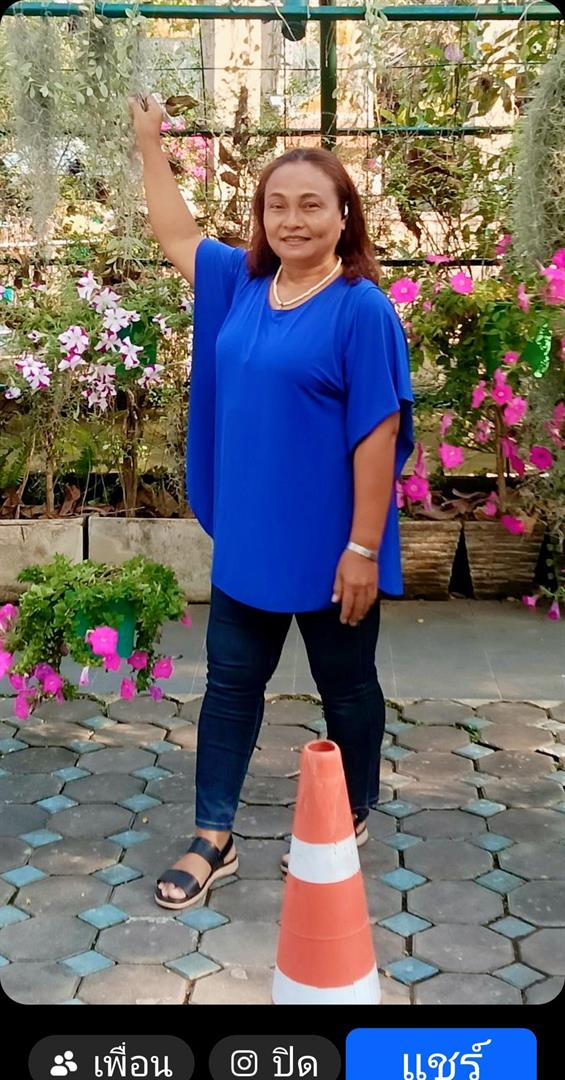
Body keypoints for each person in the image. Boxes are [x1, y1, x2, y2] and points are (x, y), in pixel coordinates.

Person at [128, 94, 415, 911]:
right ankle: (212, 837)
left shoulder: (361, 308)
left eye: (311, 205)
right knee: (229, 686)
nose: (292, 220)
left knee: (345, 687)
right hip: (252, 538)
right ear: (261, 217)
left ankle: (348, 813)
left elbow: (377, 433)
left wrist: (361, 549)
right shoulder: (242, 284)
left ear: (343, 215)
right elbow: (175, 234)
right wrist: (149, 143)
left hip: (331, 545)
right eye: (276, 205)